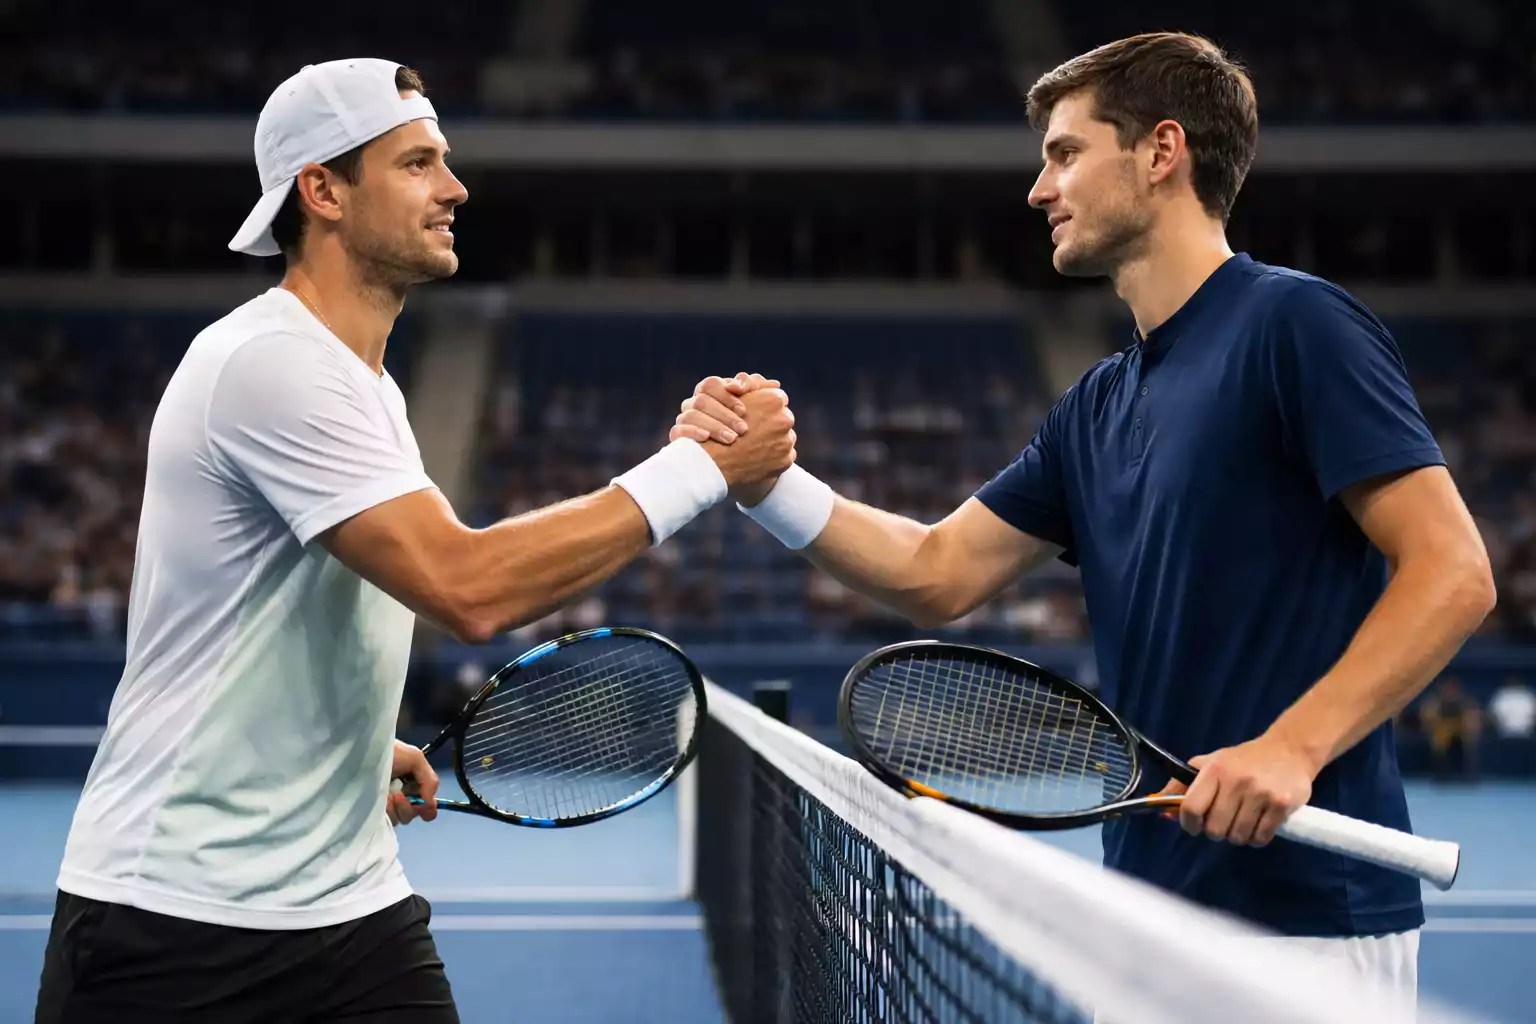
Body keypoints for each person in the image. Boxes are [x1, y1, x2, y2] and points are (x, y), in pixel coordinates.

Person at [677, 32, 1495, 1017]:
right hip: (1142, 916)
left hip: (1305, 923)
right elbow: (936, 569)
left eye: (1066, 153)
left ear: (1161, 151)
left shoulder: (1298, 326)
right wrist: (766, 484)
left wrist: (1293, 747)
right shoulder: (1096, 405)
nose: (1038, 188)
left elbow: (1453, 572)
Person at [35, 59, 795, 1024]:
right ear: (323, 192)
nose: (455, 188)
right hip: (177, 923)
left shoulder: (372, 389)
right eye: (418, 164)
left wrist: (350, 746)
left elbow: (303, 602)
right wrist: (701, 469)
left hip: (353, 909)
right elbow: (463, 585)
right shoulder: (270, 362)